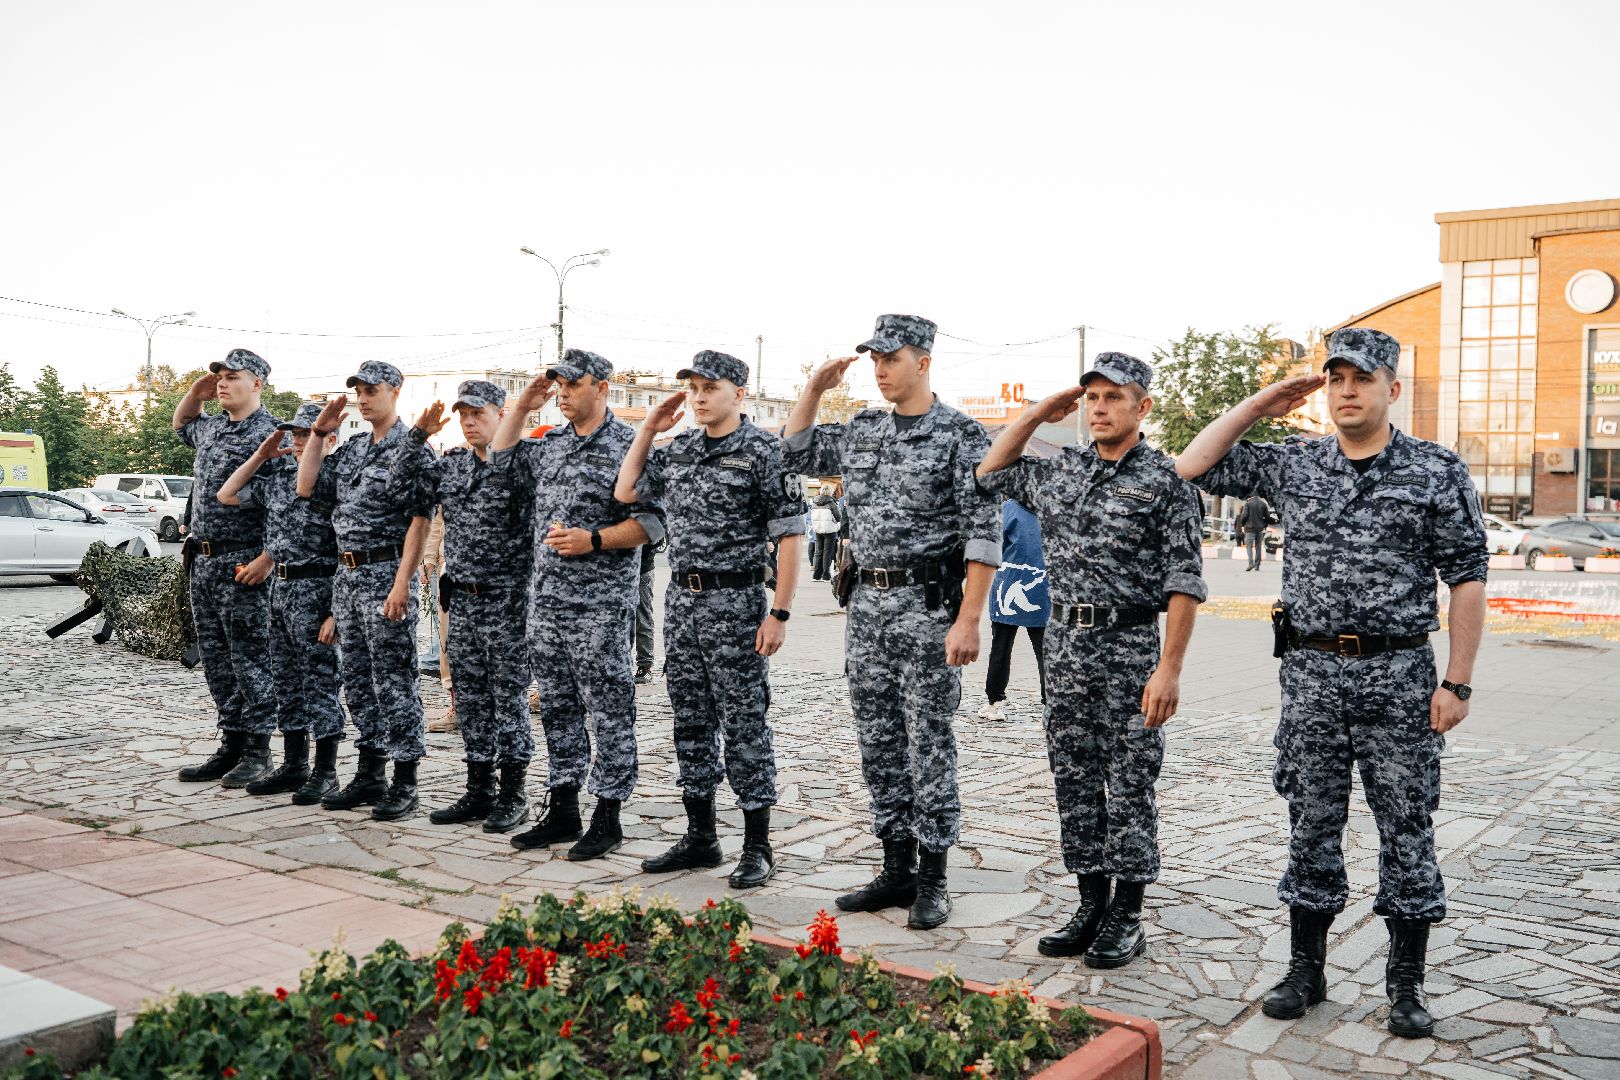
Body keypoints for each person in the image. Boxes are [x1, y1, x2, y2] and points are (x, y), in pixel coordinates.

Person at [1175, 327, 1487, 1038]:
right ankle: (1305, 970)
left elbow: (1468, 577)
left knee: (1406, 825)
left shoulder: (1435, 470)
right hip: (1311, 675)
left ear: (1392, 389)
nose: (1347, 390)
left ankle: (1404, 983)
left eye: (1362, 378)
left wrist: (1458, 682)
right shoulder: (1297, 464)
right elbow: (1192, 465)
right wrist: (1260, 404)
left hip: (1399, 676)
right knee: (1311, 822)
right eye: (1336, 378)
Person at [978, 354, 1206, 969]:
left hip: (1130, 648)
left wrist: (1169, 669)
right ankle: (1089, 904)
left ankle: (1127, 913)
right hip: (1065, 647)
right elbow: (990, 472)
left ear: (1142, 406)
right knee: (1074, 779)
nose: (1100, 408)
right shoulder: (1062, 470)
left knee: (1130, 782)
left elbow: (1185, 582)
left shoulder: (1168, 481)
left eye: (1114, 397)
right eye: (1092, 398)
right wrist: (1035, 415)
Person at [784, 314, 999, 930]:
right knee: (877, 738)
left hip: (928, 609)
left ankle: (933, 877)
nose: (880, 370)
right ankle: (896, 866)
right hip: (867, 609)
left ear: (923, 362)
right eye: (874, 359)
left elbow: (983, 533)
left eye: (892, 358)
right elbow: (795, 451)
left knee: (928, 741)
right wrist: (814, 388)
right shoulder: (864, 428)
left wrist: (969, 619)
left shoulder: (960, 434)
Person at [616, 350, 805, 889]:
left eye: (710, 388)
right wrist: (648, 429)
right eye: (694, 388)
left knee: (744, 723)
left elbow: (791, 536)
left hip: (737, 604)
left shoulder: (764, 452)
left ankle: (758, 845)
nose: (698, 397)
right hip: (683, 603)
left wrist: (780, 612)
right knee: (691, 721)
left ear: (739, 393)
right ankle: (701, 836)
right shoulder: (681, 449)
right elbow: (626, 491)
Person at [492, 349, 665, 860]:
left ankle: (608, 814)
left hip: (600, 606)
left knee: (608, 710)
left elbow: (654, 522)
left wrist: (595, 539)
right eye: (559, 385)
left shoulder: (630, 445)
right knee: (557, 707)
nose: (563, 393)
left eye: (573, 383)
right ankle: (563, 807)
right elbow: (500, 462)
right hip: (547, 603)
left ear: (602, 387)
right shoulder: (552, 443)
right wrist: (523, 406)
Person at [386, 381, 536, 834]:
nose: (469, 422)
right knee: (469, 696)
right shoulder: (451, 464)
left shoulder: (524, 463)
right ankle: (479, 787)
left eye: (478, 413)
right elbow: (399, 488)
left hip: (509, 599)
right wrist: (418, 435)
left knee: (508, 698)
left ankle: (513, 792)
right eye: (463, 415)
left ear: (501, 415)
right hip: (464, 599)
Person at [300, 361, 433, 821]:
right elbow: (307, 485)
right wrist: (318, 434)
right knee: (357, 681)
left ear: (395, 391)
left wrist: (402, 582)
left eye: (371, 390)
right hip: (348, 577)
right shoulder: (355, 448)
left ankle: (405, 780)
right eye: (358, 390)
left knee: (394, 681)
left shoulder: (412, 448)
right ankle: (371, 771)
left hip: (385, 573)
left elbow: (420, 520)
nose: (362, 398)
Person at [215, 403, 346, 804]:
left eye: (308, 434)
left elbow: (347, 549)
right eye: (297, 434)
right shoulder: (279, 479)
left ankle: (326, 771)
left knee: (320, 684)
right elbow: (226, 494)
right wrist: (260, 455)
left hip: (318, 588)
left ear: (330, 439)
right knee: (287, 682)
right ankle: (294, 765)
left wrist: (336, 611)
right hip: (281, 589)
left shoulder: (336, 480)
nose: (300, 441)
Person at [172, 350, 283, 789]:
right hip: (204, 561)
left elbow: (288, 504)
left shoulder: (273, 434)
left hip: (245, 562)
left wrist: (269, 558)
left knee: (251, 659)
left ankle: (259, 750)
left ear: (257, 383)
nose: (222, 383)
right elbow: (182, 424)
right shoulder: (213, 427)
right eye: (219, 376)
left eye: (232, 377)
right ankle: (232, 743)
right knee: (217, 660)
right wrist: (194, 392)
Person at [978, 499, 1050, 722]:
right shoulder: (1055, 507)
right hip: (1041, 590)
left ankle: (994, 703)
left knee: (1000, 648)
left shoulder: (1008, 510)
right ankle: (1051, 704)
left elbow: (993, 549)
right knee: (1046, 653)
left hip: (1008, 587)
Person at [420, 510, 457, 732]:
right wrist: (429, 558)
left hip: (491, 570)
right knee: (447, 643)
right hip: (449, 568)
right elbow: (438, 521)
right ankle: (457, 708)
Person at [634, 537, 659, 683]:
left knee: (642, 617)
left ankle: (645, 666)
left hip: (642, 570)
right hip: (617, 573)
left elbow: (658, 539)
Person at [809, 484, 842, 581]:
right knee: (827, 552)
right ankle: (826, 575)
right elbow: (838, 517)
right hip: (829, 530)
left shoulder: (815, 502)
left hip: (818, 529)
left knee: (819, 552)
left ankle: (816, 575)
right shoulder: (831, 503)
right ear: (830, 492)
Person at [1236, 493, 1272, 571]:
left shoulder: (1248, 504)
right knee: (1258, 546)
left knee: (1249, 546)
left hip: (1249, 529)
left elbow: (1244, 516)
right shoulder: (1263, 504)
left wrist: (1242, 525)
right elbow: (1268, 517)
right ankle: (1257, 565)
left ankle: (1251, 563)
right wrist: (1264, 525)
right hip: (1259, 529)